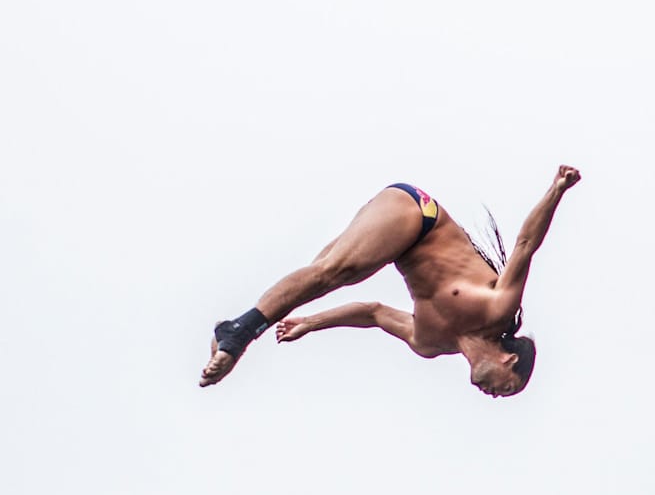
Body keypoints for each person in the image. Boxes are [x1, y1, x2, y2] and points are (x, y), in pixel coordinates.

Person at [199, 164, 581, 396]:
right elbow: (526, 244)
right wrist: (556, 190)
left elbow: (374, 312)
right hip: (416, 214)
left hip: (388, 241)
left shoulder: (429, 343)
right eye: (506, 387)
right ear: (508, 358)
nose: (494, 394)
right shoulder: (498, 307)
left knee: (317, 274)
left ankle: (235, 328)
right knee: (333, 273)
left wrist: (311, 323)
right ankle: (240, 332)